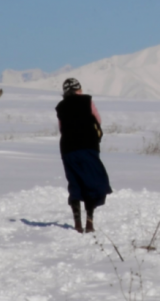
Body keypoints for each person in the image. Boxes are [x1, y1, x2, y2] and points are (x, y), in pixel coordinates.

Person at [55, 78, 112, 233]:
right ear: (79, 89)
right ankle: (89, 222)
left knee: (74, 182)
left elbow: (61, 129)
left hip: (68, 149)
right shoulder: (87, 101)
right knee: (92, 182)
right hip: (88, 147)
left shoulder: (61, 107)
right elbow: (98, 120)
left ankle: (77, 223)